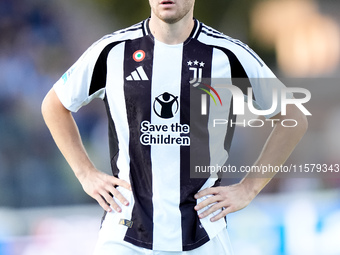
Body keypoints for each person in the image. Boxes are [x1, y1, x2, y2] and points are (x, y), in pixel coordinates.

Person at [41, 0, 308, 254]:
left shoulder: (228, 55)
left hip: (204, 233)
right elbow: (54, 105)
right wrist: (85, 173)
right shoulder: (113, 50)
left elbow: (293, 116)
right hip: (124, 233)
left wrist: (249, 188)